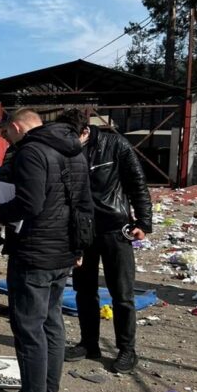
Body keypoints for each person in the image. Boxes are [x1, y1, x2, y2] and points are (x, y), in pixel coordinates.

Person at [0, 109, 93, 392]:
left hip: (35, 252)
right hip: (63, 252)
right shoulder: (75, 151)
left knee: (29, 328)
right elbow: (84, 204)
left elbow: (30, 203)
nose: (7, 139)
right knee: (52, 322)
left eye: (7, 133)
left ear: (17, 126)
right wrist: (78, 247)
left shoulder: (31, 151)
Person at [56, 109, 152, 374]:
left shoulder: (115, 145)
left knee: (122, 293)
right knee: (84, 290)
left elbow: (137, 183)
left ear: (85, 131)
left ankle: (127, 349)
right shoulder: (67, 151)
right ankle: (89, 343)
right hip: (82, 231)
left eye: (71, 136)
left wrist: (143, 222)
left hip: (114, 228)